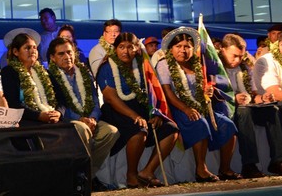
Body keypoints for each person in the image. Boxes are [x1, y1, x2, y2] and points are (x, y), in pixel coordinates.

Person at [156, 27, 240, 182]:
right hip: (177, 108)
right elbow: (167, 93)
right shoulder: (164, 64)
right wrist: (186, 109)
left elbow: (202, 88)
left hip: (201, 106)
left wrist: (207, 92)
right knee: (199, 122)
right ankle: (201, 169)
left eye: (187, 46)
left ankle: (225, 168)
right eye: (178, 47)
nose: (183, 50)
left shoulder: (197, 64)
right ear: (171, 48)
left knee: (227, 125)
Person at [96, 33, 178, 188]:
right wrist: (135, 116)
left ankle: (147, 171)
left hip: (140, 107)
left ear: (137, 49)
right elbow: (111, 98)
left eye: (130, 47)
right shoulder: (107, 67)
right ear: (115, 48)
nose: (125, 51)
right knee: (139, 129)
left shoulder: (141, 65)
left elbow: (151, 92)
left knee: (171, 129)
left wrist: (153, 113)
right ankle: (131, 175)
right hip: (116, 110)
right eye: (121, 47)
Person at [219, 33, 282, 178]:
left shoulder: (245, 67)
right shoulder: (214, 67)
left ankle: (279, 162)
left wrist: (263, 97)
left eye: (241, 56)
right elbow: (212, 94)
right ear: (223, 50)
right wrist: (233, 99)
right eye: (234, 55)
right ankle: (249, 165)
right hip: (226, 110)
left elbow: (253, 94)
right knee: (244, 112)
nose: (238, 60)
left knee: (272, 109)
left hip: (247, 106)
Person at [47, 37, 119, 191]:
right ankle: (85, 179)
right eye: (61, 54)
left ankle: (87, 176)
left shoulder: (84, 72)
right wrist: (80, 119)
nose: (67, 57)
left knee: (112, 132)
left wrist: (92, 118)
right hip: (68, 121)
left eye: (69, 52)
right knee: (82, 129)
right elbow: (59, 106)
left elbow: (94, 99)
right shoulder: (49, 76)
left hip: (89, 119)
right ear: (52, 58)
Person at [1, 28, 61, 126]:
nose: (33, 51)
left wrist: (58, 113)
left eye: (35, 48)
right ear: (16, 52)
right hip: (26, 121)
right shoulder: (9, 72)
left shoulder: (45, 72)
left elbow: (61, 98)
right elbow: (13, 104)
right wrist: (38, 116)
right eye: (27, 48)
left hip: (51, 118)